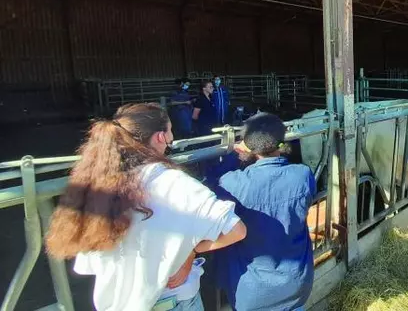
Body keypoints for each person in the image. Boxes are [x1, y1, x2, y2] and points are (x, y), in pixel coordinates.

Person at [44, 103, 247, 311]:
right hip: (170, 299)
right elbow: (236, 230)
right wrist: (192, 250)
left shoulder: (95, 182)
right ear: (160, 137)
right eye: (170, 134)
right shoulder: (176, 183)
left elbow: (89, 260)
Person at [213, 113, 316, 311]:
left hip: (251, 290)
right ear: (281, 142)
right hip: (296, 284)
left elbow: (213, 183)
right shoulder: (302, 175)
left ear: (247, 144)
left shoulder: (232, 184)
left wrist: (233, 157)